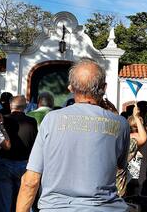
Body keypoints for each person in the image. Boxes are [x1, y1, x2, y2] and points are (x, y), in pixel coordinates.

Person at [16, 58, 130, 212]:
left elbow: (30, 180)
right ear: (104, 88)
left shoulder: (51, 120)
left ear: (70, 87)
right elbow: (120, 166)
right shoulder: (121, 124)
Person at [0, 95, 38, 212]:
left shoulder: (3, 120)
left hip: (4, 162)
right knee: (24, 202)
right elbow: (35, 144)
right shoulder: (32, 122)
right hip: (24, 164)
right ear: (25, 107)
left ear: (10, 105)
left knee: (4, 202)